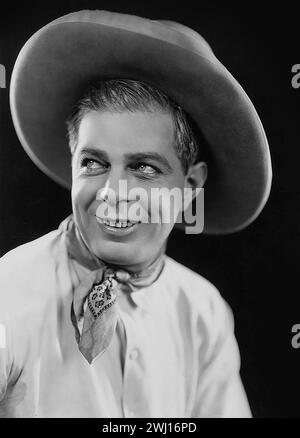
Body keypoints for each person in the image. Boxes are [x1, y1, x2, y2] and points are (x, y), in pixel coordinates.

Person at [0, 10, 272, 418]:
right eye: (94, 163)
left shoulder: (202, 309)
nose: (112, 193)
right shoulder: (10, 294)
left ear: (191, 186)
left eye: (144, 168)